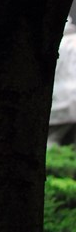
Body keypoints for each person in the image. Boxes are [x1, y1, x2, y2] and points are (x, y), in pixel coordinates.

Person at [48, 16, 76, 147]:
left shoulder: (51, 44)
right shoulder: (73, 41)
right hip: (71, 99)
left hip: (56, 99)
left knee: (52, 142)